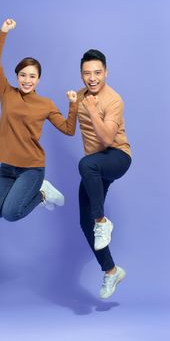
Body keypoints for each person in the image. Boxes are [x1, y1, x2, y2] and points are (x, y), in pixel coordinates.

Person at [0, 18, 77, 221]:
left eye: (32, 76)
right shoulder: (7, 93)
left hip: (31, 169)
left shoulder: (46, 104)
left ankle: (42, 193)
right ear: (17, 76)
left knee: (10, 213)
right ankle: (39, 190)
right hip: (7, 167)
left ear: (38, 80)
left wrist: (73, 104)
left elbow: (69, 130)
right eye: (23, 75)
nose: (27, 80)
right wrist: (3, 32)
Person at [69, 49, 131, 299]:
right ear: (81, 75)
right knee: (84, 221)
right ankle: (111, 271)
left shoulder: (114, 100)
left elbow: (106, 139)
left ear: (106, 72)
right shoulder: (81, 94)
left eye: (97, 72)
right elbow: (70, 128)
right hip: (96, 165)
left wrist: (93, 108)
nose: (92, 78)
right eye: (87, 73)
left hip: (117, 156)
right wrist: (73, 105)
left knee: (86, 165)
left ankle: (102, 222)